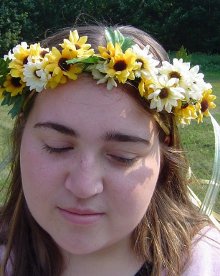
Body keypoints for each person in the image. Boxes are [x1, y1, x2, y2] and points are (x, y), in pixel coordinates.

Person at [0, 25, 219, 276]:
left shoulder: (206, 265)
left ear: (163, 154)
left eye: (122, 157)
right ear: (21, 133)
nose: (84, 187)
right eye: (57, 147)